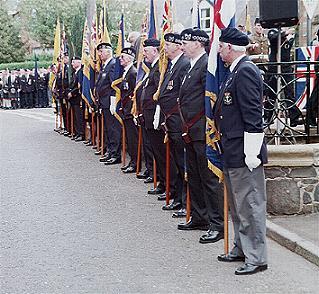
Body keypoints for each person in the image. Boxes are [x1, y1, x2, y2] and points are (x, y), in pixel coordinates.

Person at [214, 27, 268, 275]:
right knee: (237, 205)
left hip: (245, 152)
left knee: (250, 205)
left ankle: (256, 257)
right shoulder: (233, 71)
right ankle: (241, 247)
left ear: (231, 48)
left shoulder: (245, 71)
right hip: (232, 149)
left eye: (221, 46)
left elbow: (253, 115)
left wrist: (252, 153)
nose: (219, 50)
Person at [177, 28, 224, 240]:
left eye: (186, 42)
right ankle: (199, 215)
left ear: (198, 43)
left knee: (209, 179)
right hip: (190, 130)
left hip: (202, 130)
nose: (182, 45)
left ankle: (217, 224)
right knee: (194, 176)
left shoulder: (206, 65)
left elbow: (210, 101)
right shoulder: (190, 66)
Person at [155, 32, 189, 211]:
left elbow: (181, 95)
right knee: (176, 161)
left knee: (183, 163)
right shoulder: (170, 65)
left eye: (168, 45)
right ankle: (178, 197)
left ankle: (185, 202)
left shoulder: (183, 64)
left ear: (177, 46)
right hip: (170, 121)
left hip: (179, 121)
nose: (164, 48)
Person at [138, 38, 167, 195]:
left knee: (161, 154)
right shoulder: (153, 68)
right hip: (148, 117)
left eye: (146, 51)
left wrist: (157, 114)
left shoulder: (159, 68)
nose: (144, 54)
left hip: (156, 118)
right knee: (157, 153)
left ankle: (167, 186)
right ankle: (162, 183)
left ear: (155, 51)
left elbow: (158, 93)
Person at [266, 27, 300, 126]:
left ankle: (294, 117)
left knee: (289, 93)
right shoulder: (273, 32)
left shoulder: (290, 36)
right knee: (271, 94)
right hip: (274, 67)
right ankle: (268, 117)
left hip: (286, 67)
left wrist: (289, 36)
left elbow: (287, 48)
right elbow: (273, 38)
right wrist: (285, 33)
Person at [95, 42, 121, 165]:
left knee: (113, 129)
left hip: (110, 102)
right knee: (108, 129)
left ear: (108, 51)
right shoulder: (105, 65)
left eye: (101, 51)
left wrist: (112, 101)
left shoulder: (113, 64)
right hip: (103, 102)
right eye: (99, 52)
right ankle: (110, 151)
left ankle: (115, 154)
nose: (99, 54)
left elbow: (113, 85)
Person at [117, 47, 138, 173]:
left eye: (122, 57)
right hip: (125, 110)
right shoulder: (126, 72)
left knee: (133, 139)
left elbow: (134, 93)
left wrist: (130, 109)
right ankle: (133, 161)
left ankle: (135, 163)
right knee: (129, 139)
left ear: (129, 58)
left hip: (130, 111)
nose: (120, 59)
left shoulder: (133, 72)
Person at [68, 56, 84, 141]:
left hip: (78, 98)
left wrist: (72, 93)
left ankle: (81, 134)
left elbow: (80, 86)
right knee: (76, 117)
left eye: (74, 62)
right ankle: (77, 132)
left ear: (79, 62)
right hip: (73, 99)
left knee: (79, 117)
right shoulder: (75, 73)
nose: (72, 64)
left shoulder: (80, 72)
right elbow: (72, 85)